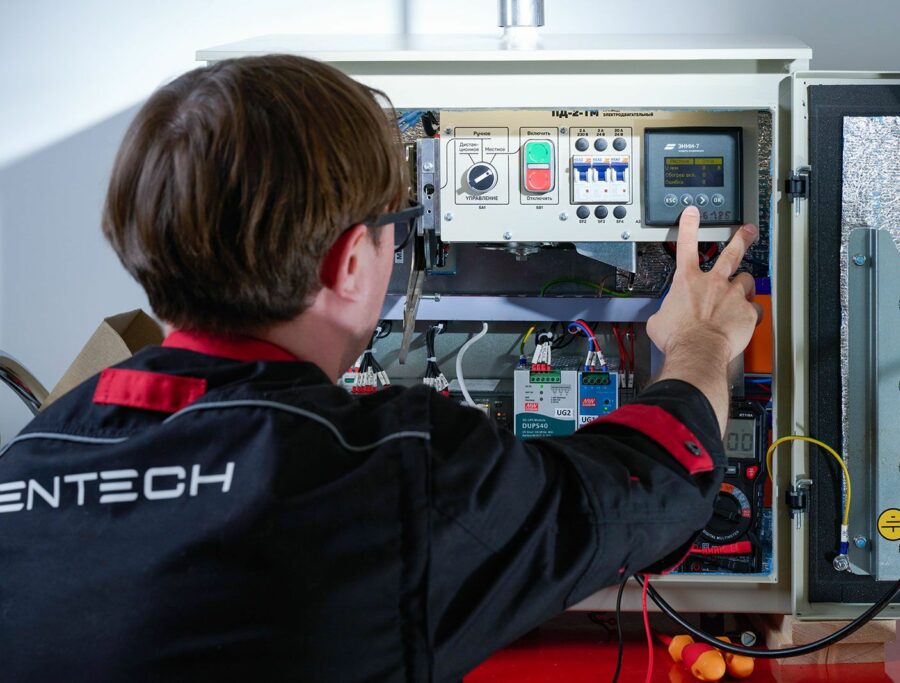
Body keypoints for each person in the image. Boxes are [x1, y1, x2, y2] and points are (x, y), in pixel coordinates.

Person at [0, 55, 761, 682]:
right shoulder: (398, 471)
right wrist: (697, 338)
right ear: (351, 261)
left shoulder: (29, 461)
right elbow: (659, 483)